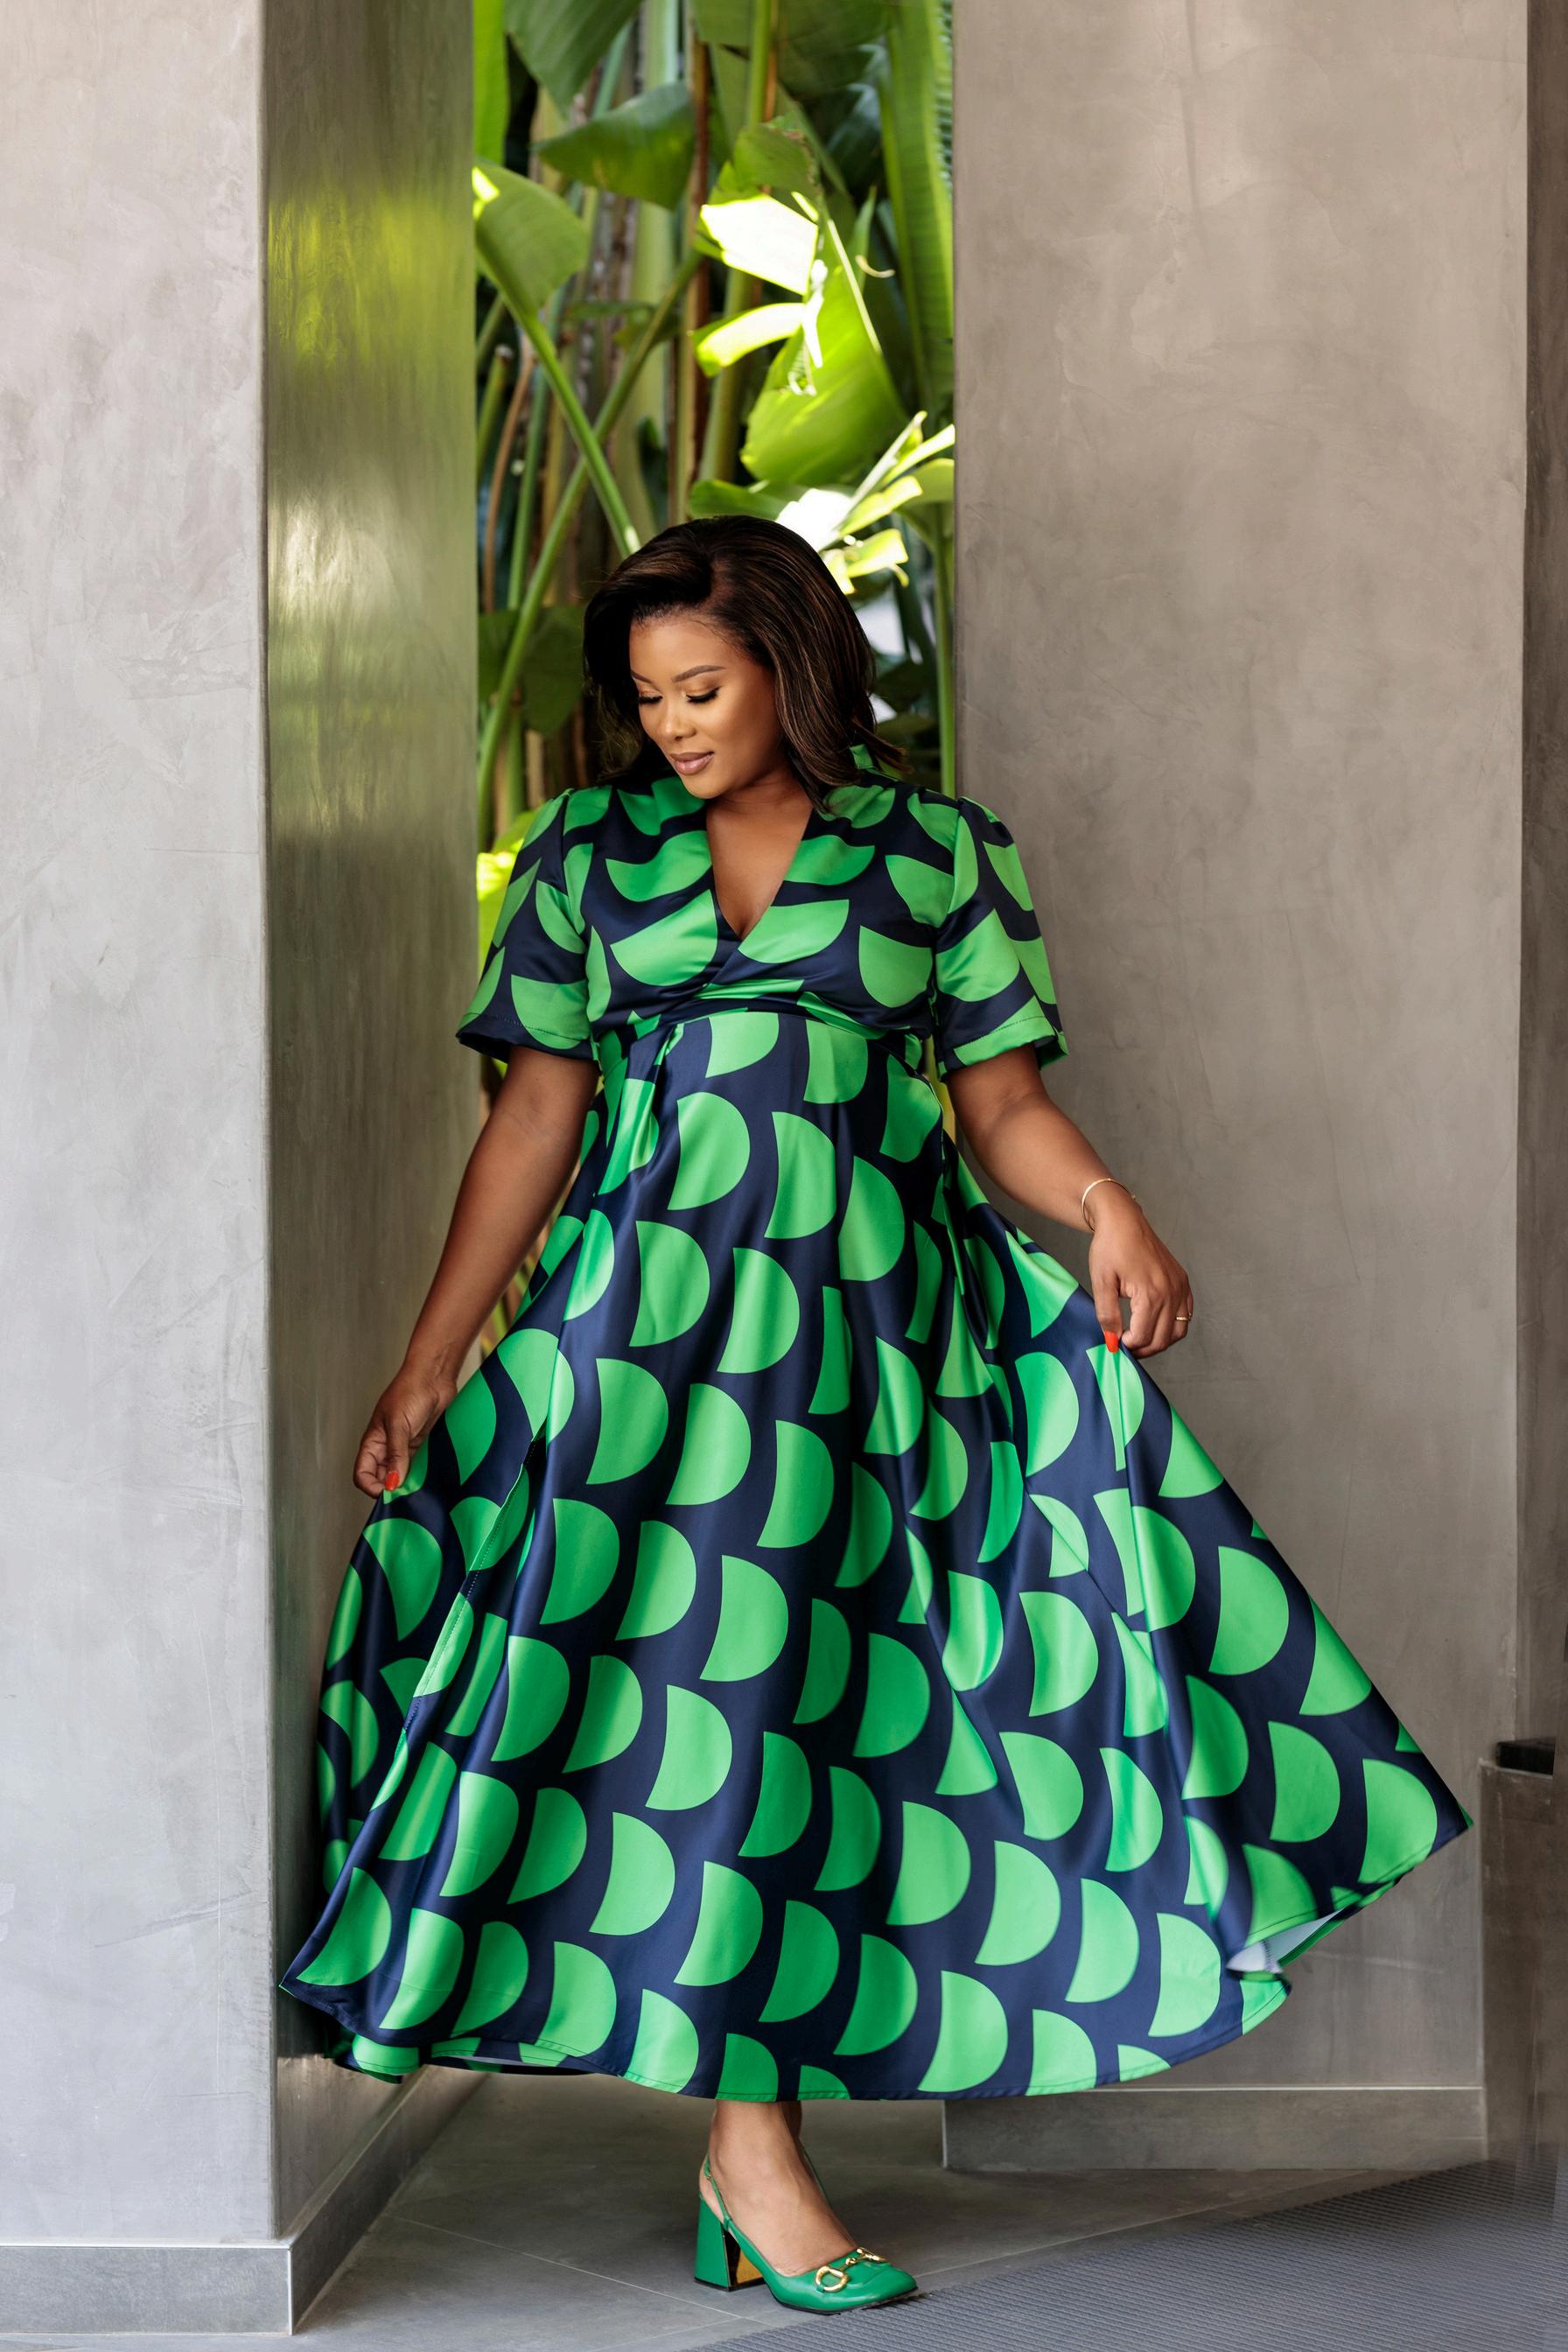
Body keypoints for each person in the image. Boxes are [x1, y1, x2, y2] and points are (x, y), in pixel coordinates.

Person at [278, 515, 1473, 2317]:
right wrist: (436, 1357)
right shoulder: (591, 855)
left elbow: (999, 1109)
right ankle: (749, 2156)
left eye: (702, 687)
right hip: (650, 1352)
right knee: (686, 1711)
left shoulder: (935, 855)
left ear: (788, 663)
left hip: (870, 1353)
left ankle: (750, 2151)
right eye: (646, 697)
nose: (672, 724)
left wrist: (1106, 1210)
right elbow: (533, 1117)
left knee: (814, 1715)